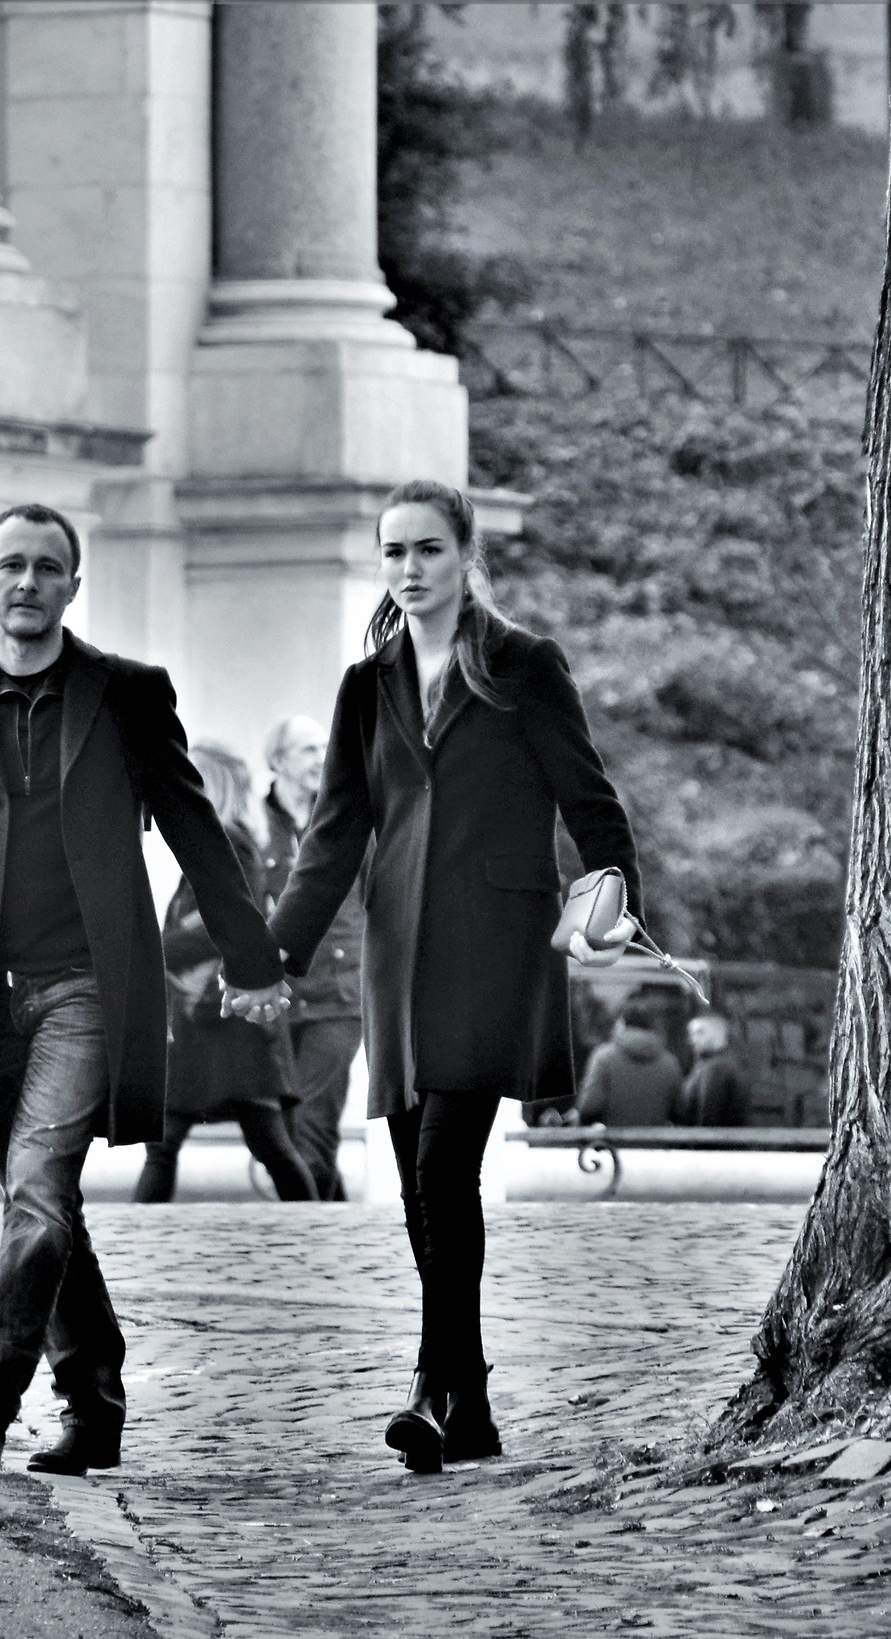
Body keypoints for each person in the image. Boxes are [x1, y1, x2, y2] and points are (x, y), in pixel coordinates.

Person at [0, 503, 289, 1477]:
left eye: (49, 567)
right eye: (11, 565)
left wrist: (253, 957)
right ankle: (95, 1404)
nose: (29, 582)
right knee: (45, 1204)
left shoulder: (127, 695)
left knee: (40, 1179)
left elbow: (194, 828)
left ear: (73, 586)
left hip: (87, 986)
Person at [267, 477, 643, 1474]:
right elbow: (332, 837)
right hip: (398, 958)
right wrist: (274, 953)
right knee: (418, 1181)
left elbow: (589, 802)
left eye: (428, 550)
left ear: (464, 554)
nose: (410, 569)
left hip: (495, 948)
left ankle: (431, 1388)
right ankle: (469, 1405)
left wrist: (615, 902)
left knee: (442, 1167)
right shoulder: (367, 684)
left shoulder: (522, 666)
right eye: (394, 552)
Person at [133, 742, 319, 1205]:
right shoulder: (229, 837)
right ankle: (315, 1225)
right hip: (220, 1025)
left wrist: (149, 951)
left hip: (227, 1024)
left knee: (265, 1145)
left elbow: (230, 923)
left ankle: (315, 1226)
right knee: (177, 1143)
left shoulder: (227, 839)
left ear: (207, 783)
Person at [259, 715, 365, 1201]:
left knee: (312, 1125)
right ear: (277, 760)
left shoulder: (346, 820)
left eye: (324, 746)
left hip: (339, 998)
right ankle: (331, 1220)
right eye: (306, 749)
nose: (320, 758)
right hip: (275, 1001)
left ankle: (303, 1246)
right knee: (289, 1128)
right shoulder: (254, 829)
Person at [575, 1001, 685, 1127]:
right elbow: (680, 1112)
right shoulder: (670, 1062)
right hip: (656, 1143)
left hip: (611, 1143)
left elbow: (589, 1107)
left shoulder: (603, 1057)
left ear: (622, 1023)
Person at [673, 1012, 751, 1128]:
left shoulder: (716, 1068)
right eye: (692, 1034)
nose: (692, 1040)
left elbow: (708, 1117)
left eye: (699, 1033)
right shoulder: (722, 1063)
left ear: (717, 1034)